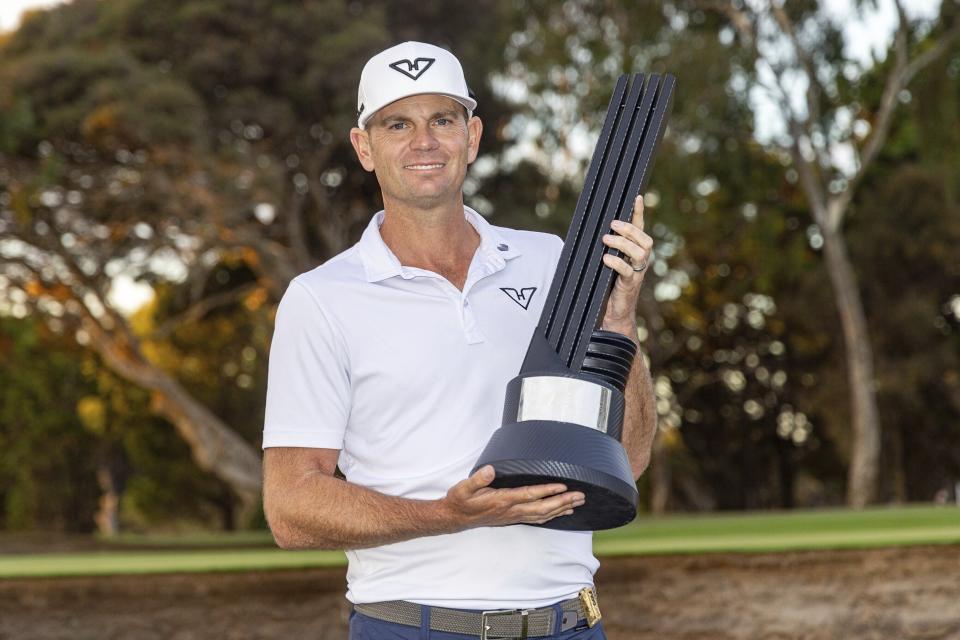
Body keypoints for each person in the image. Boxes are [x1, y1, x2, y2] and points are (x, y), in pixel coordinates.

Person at [262, 41, 658, 639]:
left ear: (471, 137)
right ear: (364, 148)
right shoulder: (321, 299)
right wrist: (448, 515)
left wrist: (621, 325)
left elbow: (626, 460)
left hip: (569, 623)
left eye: (442, 120)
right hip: (413, 626)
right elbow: (290, 510)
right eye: (398, 123)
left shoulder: (553, 264)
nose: (424, 142)